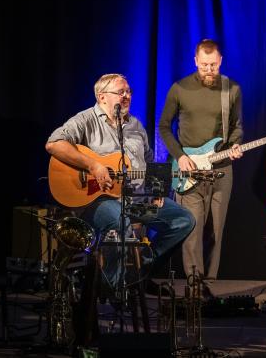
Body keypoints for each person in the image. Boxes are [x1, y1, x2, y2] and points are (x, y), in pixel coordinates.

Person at [46, 73, 196, 341]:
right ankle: (114, 285)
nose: (126, 96)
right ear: (102, 97)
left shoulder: (136, 126)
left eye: (128, 91)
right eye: (120, 92)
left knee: (183, 219)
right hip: (96, 201)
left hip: (135, 202)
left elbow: (149, 163)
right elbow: (54, 144)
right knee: (119, 221)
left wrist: (157, 189)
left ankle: (135, 271)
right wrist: (93, 165)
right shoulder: (85, 120)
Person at [159, 38, 243, 284]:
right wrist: (180, 156)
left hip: (221, 168)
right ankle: (194, 284)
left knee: (216, 231)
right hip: (190, 169)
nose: (209, 70)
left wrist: (235, 145)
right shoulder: (179, 88)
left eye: (213, 65)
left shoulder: (232, 89)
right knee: (192, 229)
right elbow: (164, 126)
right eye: (204, 65)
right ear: (195, 61)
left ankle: (211, 285)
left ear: (221, 62)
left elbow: (237, 127)